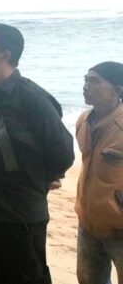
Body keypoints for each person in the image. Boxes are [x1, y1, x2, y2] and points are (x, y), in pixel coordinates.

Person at [0, 22, 74, 284]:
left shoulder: (33, 99)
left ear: (4, 55)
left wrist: (45, 176)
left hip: (21, 216)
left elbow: (63, 152)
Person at [74, 62, 123, 284]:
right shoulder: (83, 120)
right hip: (88, 224)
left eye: (94, 81)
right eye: (86, 80)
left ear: (118, 90)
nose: (86, 86)